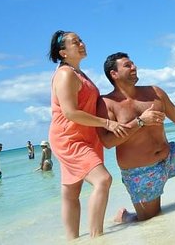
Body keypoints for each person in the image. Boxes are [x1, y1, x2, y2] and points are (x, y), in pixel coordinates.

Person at [97, 52, 175, 223]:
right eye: (127, 65)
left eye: (133, 63)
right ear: (114, 74)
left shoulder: (154, 92)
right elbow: (107, 142)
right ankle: (125, 216)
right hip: (141, 172)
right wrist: (140, 122)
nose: (134, 67)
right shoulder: (106, 103)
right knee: (149, 221)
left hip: (170, 157)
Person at [48, 30, 131, 240]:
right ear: (63, 52)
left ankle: (72, 240)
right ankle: (97, 238)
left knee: (71, 193)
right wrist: (107, 123)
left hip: (86, 136)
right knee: (103, 179)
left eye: (81, 40)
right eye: (76, 42)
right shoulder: (65, 74)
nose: (82, 44)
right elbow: (70, 112)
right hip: (69, 138)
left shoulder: (79, 73)